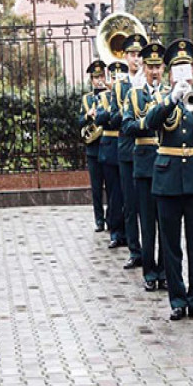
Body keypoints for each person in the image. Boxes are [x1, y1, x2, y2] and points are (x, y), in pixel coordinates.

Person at [139, 39, 193, 320]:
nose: (183, 74)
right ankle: (177, 300)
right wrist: (171, 98)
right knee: (171, 244)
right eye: (177, 68)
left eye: (187, 68)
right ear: (170, 73)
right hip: (168, 178)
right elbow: (150, 121)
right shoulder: (162, 99)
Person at [123, 41, 168, 292]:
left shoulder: (170, 94)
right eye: (150, 66)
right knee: (148, 223)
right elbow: (127, 127)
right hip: (143, 166)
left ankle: (165, 271)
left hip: (166, 165)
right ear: (144, 68)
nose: (154, 71)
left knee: (166, 222)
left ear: (163, 68)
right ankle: (150, 272)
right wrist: (147, 122)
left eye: (158, 67)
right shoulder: (133, 95)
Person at [117, 34, 148, 270]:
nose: (136, 58)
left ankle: (148, 250)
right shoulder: (121, 85)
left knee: (147, 204)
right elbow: (124, 115)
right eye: (132, 54)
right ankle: (134, 251)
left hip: (147, 150)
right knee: (129, 203)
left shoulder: (150, 82)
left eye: (139, 55)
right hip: (128, 149)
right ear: (125, 57)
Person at [95, 61, 128, 249]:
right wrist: (111, 112)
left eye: (120, 78)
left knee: (127, 194)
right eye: (114, 77)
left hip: (126, 148)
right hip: (110, 150)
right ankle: (115, 232)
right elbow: (100, 118)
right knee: (114, 194)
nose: (116, 81)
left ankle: (128, 232)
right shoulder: (105, 97)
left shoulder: (130, 96)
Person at [80, 60, 108, 232]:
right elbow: (78, 121)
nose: (99, 80)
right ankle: (99, 220)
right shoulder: (87, 98)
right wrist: (88, 116)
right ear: (91, 80)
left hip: (108, 146)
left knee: (112, 188)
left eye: (101, 76)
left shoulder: (112, 94)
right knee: (96, 188)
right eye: (96, 77)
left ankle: (112, 218)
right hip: (93, 149)